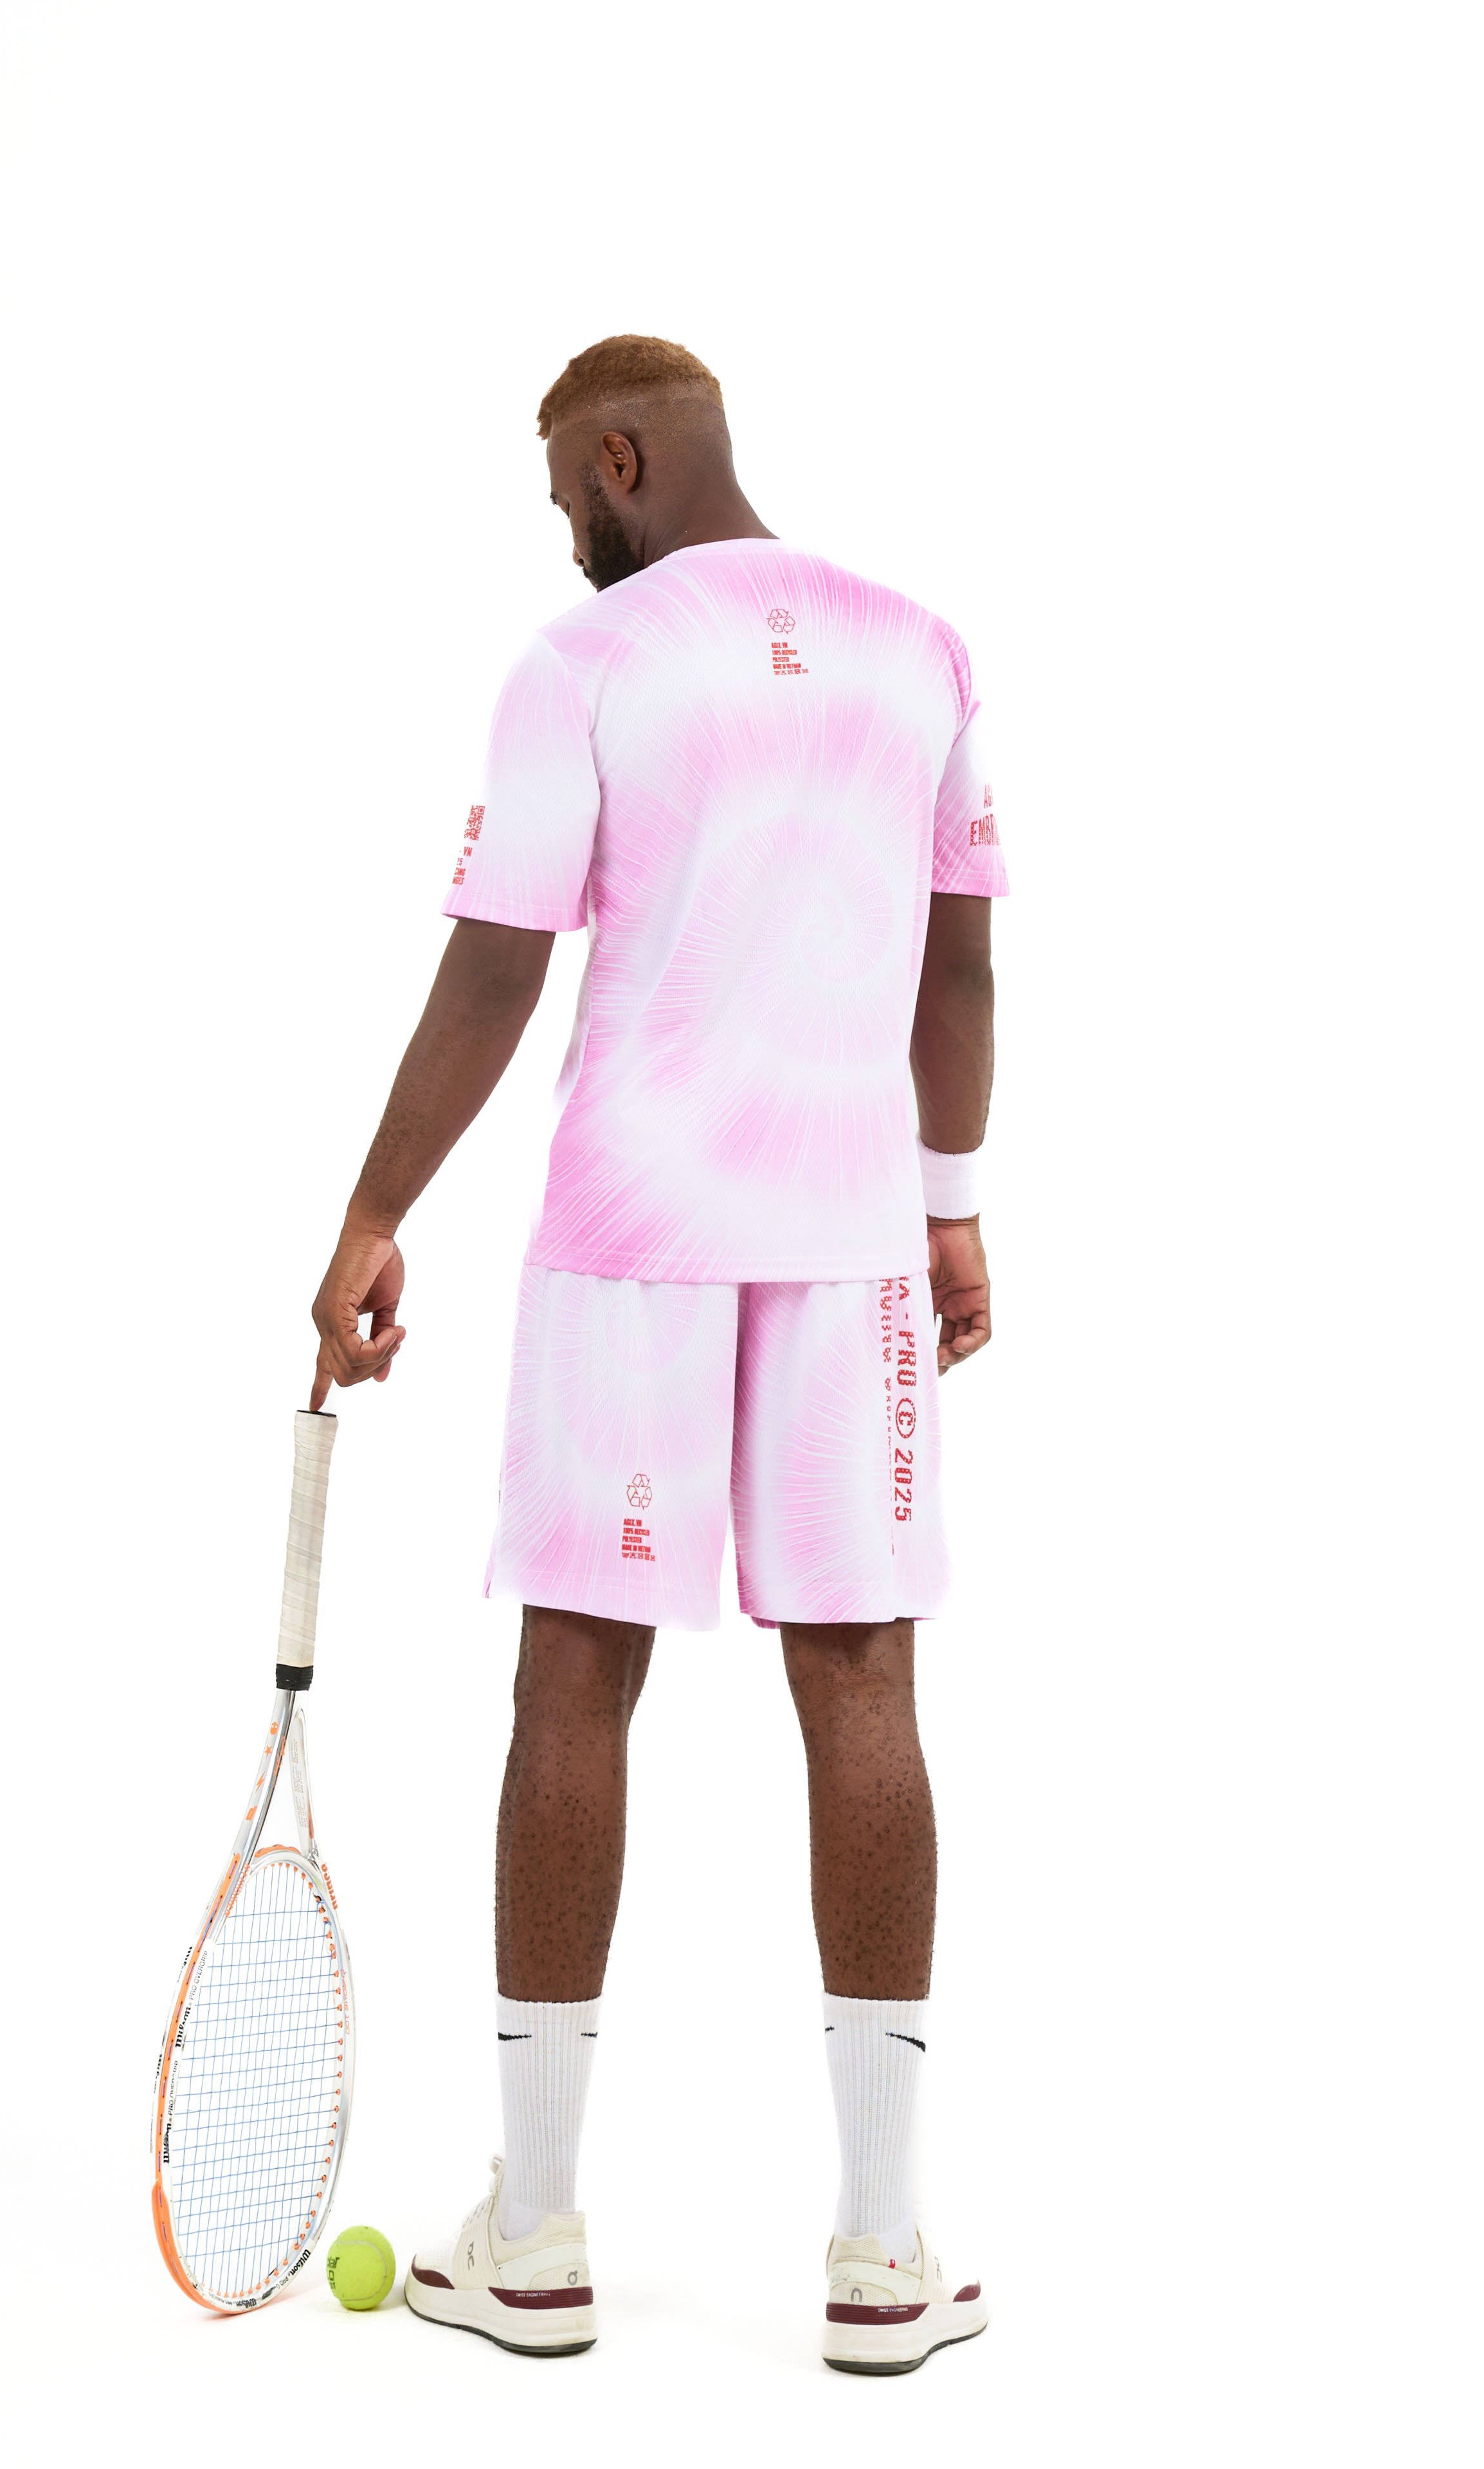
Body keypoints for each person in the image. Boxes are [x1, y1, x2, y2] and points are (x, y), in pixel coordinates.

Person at [309, 334, 1006, 2374]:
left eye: (563, 498)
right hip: (853, 1242)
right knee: (862, 1686)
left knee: (573, 1681)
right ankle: (882, 2256)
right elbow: (963, 969)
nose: (563, 538)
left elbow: (492, 967)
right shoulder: (921, 650)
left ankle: (531, 2238)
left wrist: (372, 1211)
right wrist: (953, 1201)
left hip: (631, 1235)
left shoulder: (584, 662)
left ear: (618, 459)